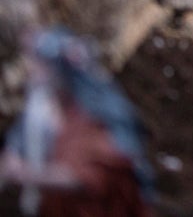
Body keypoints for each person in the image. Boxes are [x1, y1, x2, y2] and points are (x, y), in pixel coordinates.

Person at [0, 27, 155, 217]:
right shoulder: (41, 111)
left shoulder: (95, 115)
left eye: (40, 65)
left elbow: (86, 177)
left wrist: (27, 174)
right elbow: (16, 148)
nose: (33, 71)